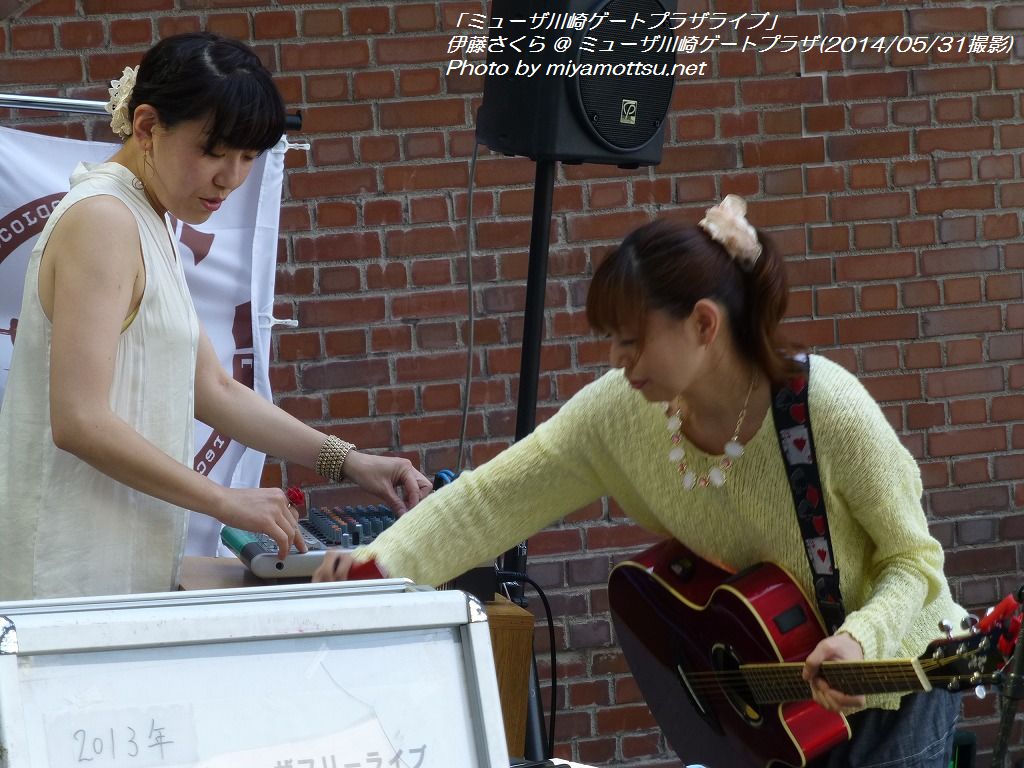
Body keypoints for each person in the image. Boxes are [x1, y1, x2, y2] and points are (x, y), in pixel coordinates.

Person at [314, 196, 966, 766]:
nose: (617, 360)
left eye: (631, 341)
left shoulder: (826, 411)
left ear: (704, 324)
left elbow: (914, 560)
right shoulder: (620, 414)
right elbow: (493, 499)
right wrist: (378, 568)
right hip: (772, 699)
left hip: (893, 692)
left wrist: (860, 638)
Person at [0, 32, 432, 602]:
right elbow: (79, 419)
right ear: (147, 127)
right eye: (214, 152)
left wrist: (350, 462)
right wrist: (225, 500)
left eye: (248, 157)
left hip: (110, 564)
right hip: (67, 573)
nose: (230, 177)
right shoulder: (104, 219)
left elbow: (213, 388)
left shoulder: (144, 215)